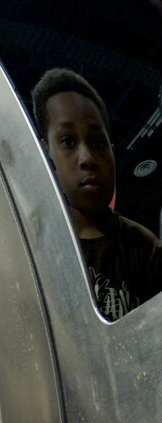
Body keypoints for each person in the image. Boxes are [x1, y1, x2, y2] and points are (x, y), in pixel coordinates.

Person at [31, 68, 162, 321]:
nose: (87, 158)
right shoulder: (36, 249)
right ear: (47, 152)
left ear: (112, 152)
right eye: (68, 142)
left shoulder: (144, 249)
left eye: (98, 143)